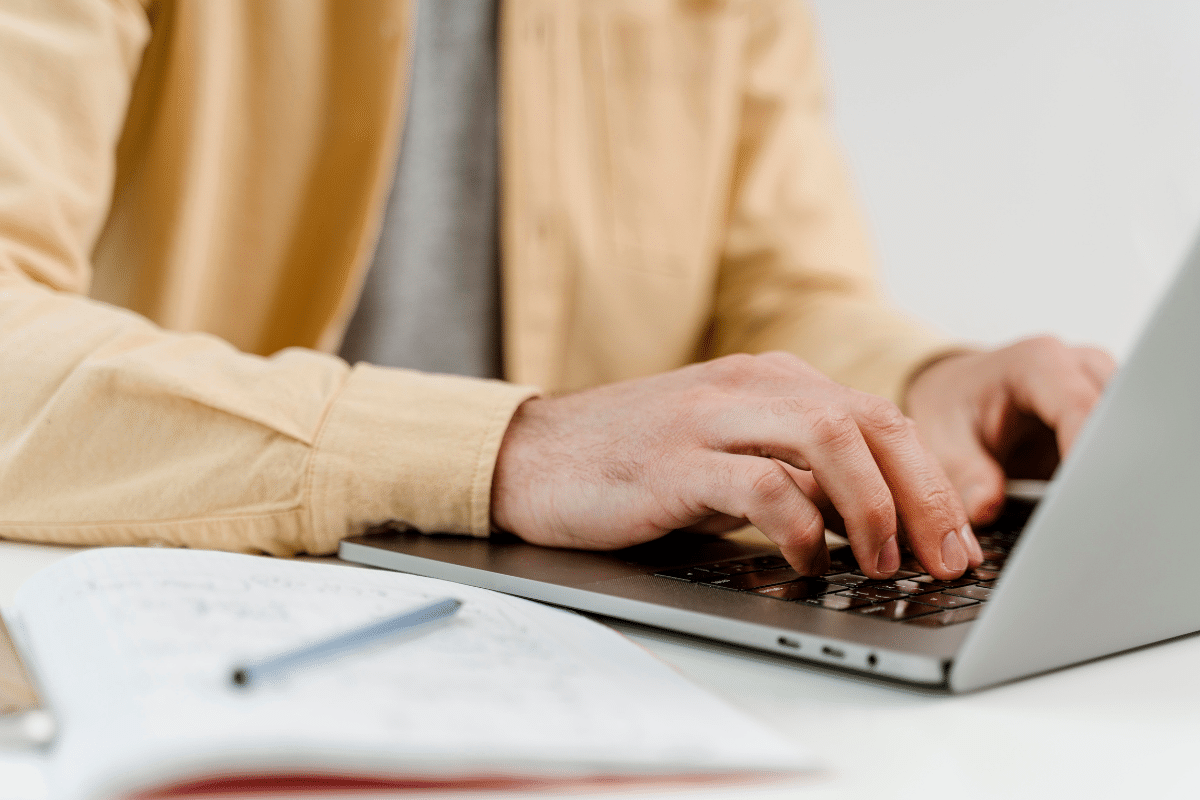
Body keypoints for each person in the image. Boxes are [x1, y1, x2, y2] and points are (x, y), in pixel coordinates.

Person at [0, 0, 1112, 582]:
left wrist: (918, 386)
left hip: (600, 644)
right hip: (184, 620)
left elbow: (773, 294)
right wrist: (514, 448)